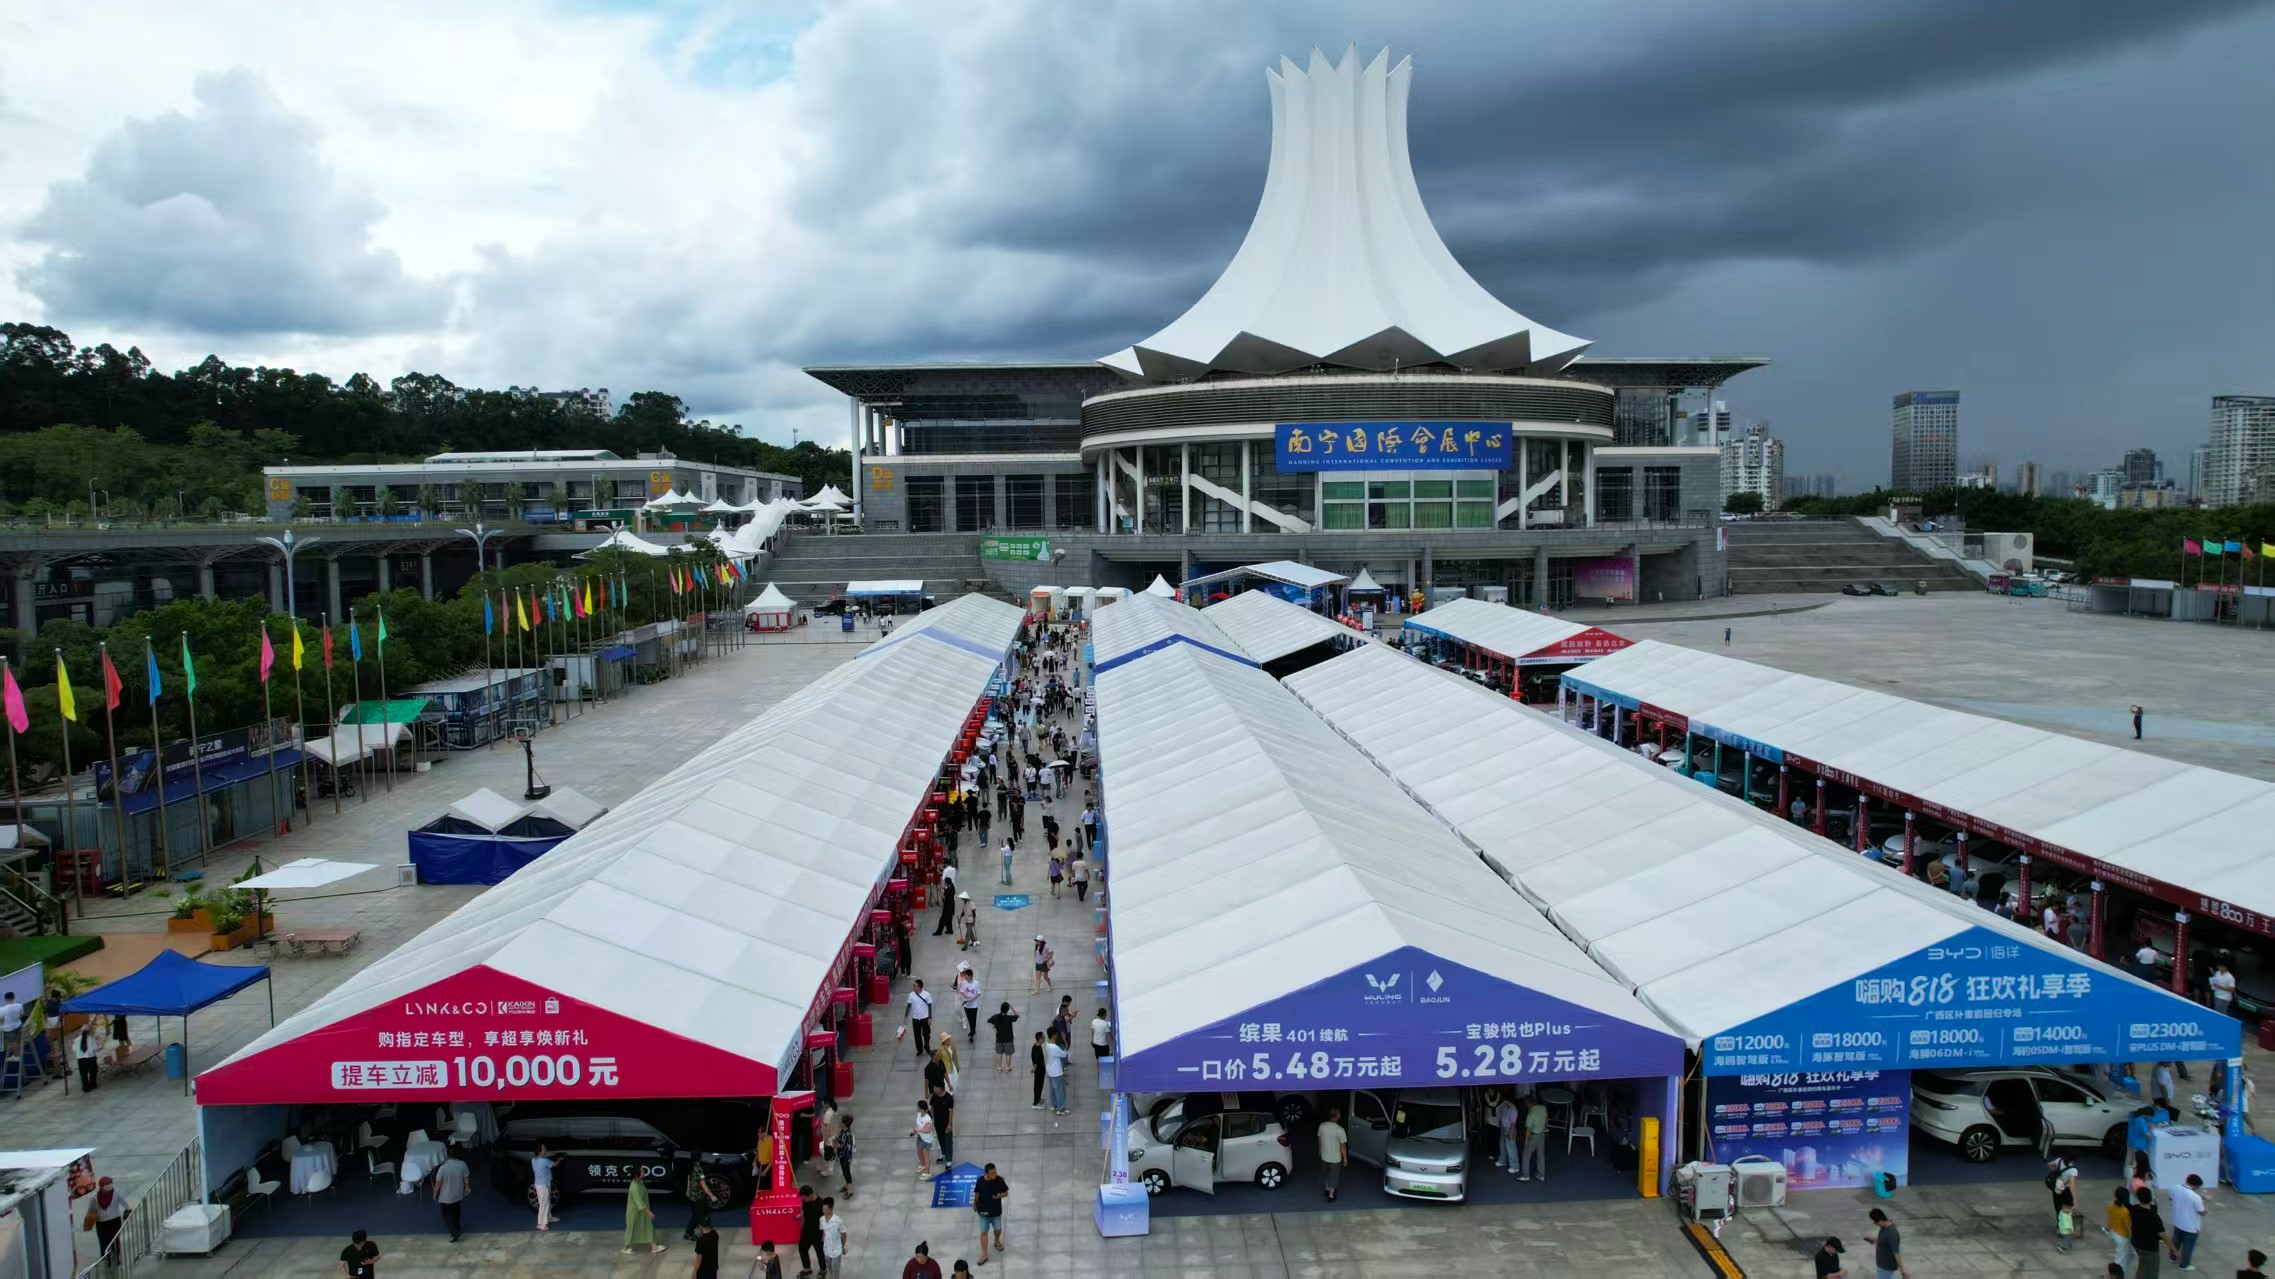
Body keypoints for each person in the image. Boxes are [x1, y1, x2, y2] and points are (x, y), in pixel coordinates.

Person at [2167, 1172, 2206, 1271]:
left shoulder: (2175, 1188)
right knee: (2188, 1246)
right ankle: (2184, 1265)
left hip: (2177, 1221)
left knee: (2175, 1241)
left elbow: (2171, 1198)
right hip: (2191, 1226)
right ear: (2196, 1186)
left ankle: (2172, 1257)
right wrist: (2204, 1202)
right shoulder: (2195, 1197)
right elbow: (2202, 1212)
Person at [432, 1145, 471, 1244]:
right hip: (458, 1195)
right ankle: (457, 1227)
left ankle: (454, 1232)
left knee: (447, 1215)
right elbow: (466, 1178)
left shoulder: (443, 1168)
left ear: (447, 1155)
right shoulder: (463, 1164)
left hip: (446, 1197)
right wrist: (466, 1188)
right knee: (456, 1212)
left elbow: (438, 1183)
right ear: (457, 1154)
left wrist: (435, 1193)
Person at [621, 1173, 665, 1256]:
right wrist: (648, 1212)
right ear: (636, 1175)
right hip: (635, 1212)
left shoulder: (640, 1183)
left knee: (647, 1226)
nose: (644, 1173)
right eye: (641, 1172)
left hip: (642, 1210)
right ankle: (626, 1247)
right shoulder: (634, 1187)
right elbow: (639, 1202)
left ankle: (653, 1246)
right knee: (632, 1228)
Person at [973, 1163, 1009, 1265]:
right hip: (983, 1211)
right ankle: (984, 1254)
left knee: (998, 1229)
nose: (995, 1174)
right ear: (986, 1173)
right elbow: (977, 1193)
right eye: (992, 1173)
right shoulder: (980, 1181)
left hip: (996, 1211)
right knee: (983, 1232)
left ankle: (997, 1241)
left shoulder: (999, 1180)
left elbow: (1006, 1193)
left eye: (995, 1172)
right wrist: (974, 1203)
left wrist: (999, 1196)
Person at [2128, 1186, 2165, 1279]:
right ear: (2151, 1198)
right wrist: (2174, 1250)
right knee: (2152, 1271)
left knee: (2142, 1266)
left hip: (2137, 1243)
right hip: (2150, 1248)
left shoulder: (2133, 1210)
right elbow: (2162, 1235)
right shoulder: (2153, 1217)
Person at [90, 1177, 126, 1262]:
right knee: (110, 1241)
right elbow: (124, 1203)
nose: (111, 1186)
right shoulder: (95, 1197)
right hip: (110, 1221)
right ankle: (112, 1259)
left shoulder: (95, 1197)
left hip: (106, 1222)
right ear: (102, 1186)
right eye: (109, 1184)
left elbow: (91, 1212)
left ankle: (110, 1259)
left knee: (107, 1241)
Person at [1317, 1105, 1349, 1202]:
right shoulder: (1340, 1130)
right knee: (1334, 1176)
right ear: (1337, 1116)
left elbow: (1319, 1140)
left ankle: (1327, 1189)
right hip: (1335, 1158)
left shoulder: (1322, 1126)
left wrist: (1320, 1152)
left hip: (1324, 1155)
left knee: (1326, 1173)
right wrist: (1345, 1158)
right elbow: (1342, 1146)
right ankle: (1331, 1195)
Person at [2047, 1155, 2078, 1251]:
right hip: (2067, 1191)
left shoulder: (2059, 1160)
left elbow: (2049, 1164)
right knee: (2066, 1214)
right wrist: (2075, 1199)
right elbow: (2072, 1185)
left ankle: (2059, 1228)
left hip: (2057, 1189)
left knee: (2058, 1209)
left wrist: (2056, 1173)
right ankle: (2065, 1232)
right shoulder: (2073, 1170)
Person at [1867, 1208, 1906, 1279]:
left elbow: (1896, 1254)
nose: (1874, 1224)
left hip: (1886, 1267)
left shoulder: (1892, 1234)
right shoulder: (1884, 1227)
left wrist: (1903, 1272)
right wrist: (1874, 1240)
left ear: (1881, 1221)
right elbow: (1884, 1241)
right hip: (1882, 1265)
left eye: (1875, 1222)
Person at [2105, 1185, 2134, 1273]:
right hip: (2123, 1237)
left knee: (2124, 1256)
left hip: (2114, 1233)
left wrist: (2108, 1230)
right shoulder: (2125, 1211)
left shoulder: (2111, 1206)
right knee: (2121, 1259)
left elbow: (2109, 1219)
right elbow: (2128, 1227)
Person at [1520, 1093, 1548, 1182]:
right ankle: (1541, 1175)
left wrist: (1526, 1142)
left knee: (1526, 1155)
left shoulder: (1530, 1114)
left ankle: (1525, 1176)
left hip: (1533, 1136)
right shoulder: (1543, 1108)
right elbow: (1546, 1120)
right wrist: (1544, 1129)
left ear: (1527, 1103)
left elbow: (1528, 1130)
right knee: (1541, 1155)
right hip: (1541, 1134)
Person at [797, 1185, 823, 1278]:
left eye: (804, 1197)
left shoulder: (821, 1204)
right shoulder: (805, 1201)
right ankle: (807, 1269)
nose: (802, 1199)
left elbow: (826, 1220)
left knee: (820, 1252)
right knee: (802, 1249)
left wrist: (824, 1235)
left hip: (817, 1232)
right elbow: (804, 1211)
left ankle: (823, 1270)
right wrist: (801, 1215)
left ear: (810, 1195)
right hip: (806, 1230)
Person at [816, 1197, 846, 1277]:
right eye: (823, 1209)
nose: (824, 1211)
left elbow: (843, 1234)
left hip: (836, 1251)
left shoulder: (838, 1221)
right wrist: (823, 1239)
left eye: (826, 1209)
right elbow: (823, 1231)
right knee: (830, 1270)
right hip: (827, 1250)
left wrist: (843, 1247)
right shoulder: (821, 1219)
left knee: (835, 1272)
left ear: (831, 1208)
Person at [905, 980, 935, 1058]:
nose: (913, 987)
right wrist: (906, 1016)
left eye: (915, 986)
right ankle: (919, 1049)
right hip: (915, 1018)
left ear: (919, 987)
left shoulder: (926, 994)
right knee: (917, 1035)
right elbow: (908, 1005)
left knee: (926, 1034)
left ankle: (927, 1046)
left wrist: (930, 1017)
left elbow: (929, 1005)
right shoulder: (911, 995)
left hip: (924, 1017)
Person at [1044, 1030, 1070, 1116]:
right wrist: (1066, 1049)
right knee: (1060, 1091)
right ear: (1054, 1035)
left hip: (1050, 1070)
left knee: (1053, 1090)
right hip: (1057, 1071)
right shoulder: (1055, 1048)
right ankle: (1061, 1109)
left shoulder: (1047, 1045)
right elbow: (1064, 1055)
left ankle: (1054, 1105)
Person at [987, 1002, 1020, 1072]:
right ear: (1007, 1010)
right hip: (1008, 1039)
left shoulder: (995, 1017)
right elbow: (1017, 1015)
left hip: (999, 1038)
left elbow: (989, 1021)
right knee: (1008, 1054)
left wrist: (994, 1028)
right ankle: (1007, 1067)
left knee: (999, 1053)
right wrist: (1011, 1007)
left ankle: (999, 1067)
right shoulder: (1009, 1018)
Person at [531, 1142, 556, 1231]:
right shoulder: (544, 1161)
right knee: (543, 1204)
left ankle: (549, 1217)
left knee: (547, 1202)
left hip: (544, 1183)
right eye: (544, 1149)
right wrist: (560, 1159)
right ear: (539, 1152)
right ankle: (541, 1224)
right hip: (542, 1185)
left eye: (545, 1148)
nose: (545, 1150)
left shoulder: (534, 1159)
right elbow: (555, 1164)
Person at [72, 1023, 103, 1092]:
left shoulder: (76, 1040)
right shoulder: (91, 1039)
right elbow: (95, 1048)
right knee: (93, 1072)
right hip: (91, 1057)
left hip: (81, 1059)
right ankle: (93, 1084)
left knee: (83, 1073)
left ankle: (85, 1086)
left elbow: (74, 1050)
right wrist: (100, 1047)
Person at [911, 1100, 938, 1176]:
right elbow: (919, 1125)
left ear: (922, 1109)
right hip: (920, 1136)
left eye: (918, 1107)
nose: (917, 1108)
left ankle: (927, 1171)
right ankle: (922, 1165)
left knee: (925, 1153)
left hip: (926, 1139)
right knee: (919, 1150)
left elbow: (928, 1130)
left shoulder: (927, 1119)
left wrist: (917, 1130)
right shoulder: (919, 1114)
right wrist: (915, 1130)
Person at [1496, 1093, 1520, 1174]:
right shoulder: (1504, 1106)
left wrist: (1511, 1133)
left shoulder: (1513, 1110)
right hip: (1503, 1127)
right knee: (1502, 1144)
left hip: (1510, 1128)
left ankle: (1514, 1166)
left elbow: (1513, 1124)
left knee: (1511, 1147)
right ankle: (1502, 1160)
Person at [956, 969, 983, 1042]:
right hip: (966, 1005)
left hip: (974, 1005)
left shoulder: (976, 983)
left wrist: (973, 998)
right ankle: (973, 1030)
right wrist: (967, 997)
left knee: (973, 1020)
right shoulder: (964, 983)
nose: (964, 977)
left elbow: (978, 993)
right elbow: (962, 992)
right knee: (970, 1019)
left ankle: (971, 1034)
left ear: (970, 976)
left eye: (966, 976)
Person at [833, 1116, 856, 1198]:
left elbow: (849, 1147)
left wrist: (839, 1145)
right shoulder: (842, 1131)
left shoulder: (849, 1135)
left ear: (845, 1124)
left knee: (846, 1172)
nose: (840, 1123)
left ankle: (850, 1190)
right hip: (841, 1155)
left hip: (846, 1157)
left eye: (841, 1122)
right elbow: (839, 1139)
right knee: (844, 1170)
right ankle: (846, 1186)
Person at [693, 1215, 720, 1279]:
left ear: (700, 1225)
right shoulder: (715, 1234)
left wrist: (694, 1272)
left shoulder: (701, 1241)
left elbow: (698, 1260)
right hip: (713, 1267)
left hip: (704, 1272)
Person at [1030, 1031, 1048, 1109]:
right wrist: (1033, 1069)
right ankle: (1036, 1103)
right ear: (1040, 1039)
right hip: (1039, 1072)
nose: (1044, 1038)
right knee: (1038, 1086)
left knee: (1040, 1086)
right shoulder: (1036, 1049)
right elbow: (1035, 1062)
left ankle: (1038, 1099)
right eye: (1043, 1037)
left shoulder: (1036, 1046)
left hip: (1041, 1070)